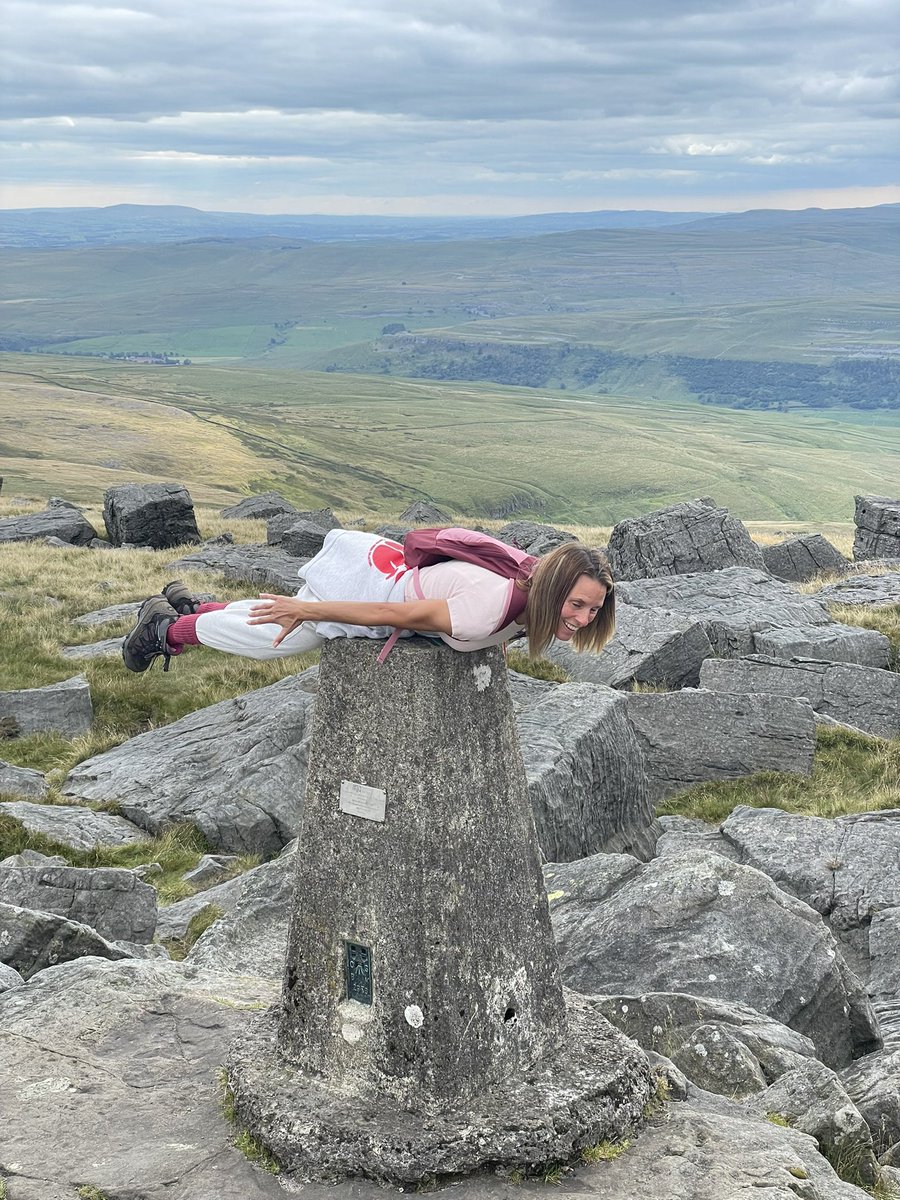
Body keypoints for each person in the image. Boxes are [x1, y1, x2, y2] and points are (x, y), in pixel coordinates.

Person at [121, 529, 615, 673]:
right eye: (576, 605)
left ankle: (190, 610)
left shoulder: (533, 581)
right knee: (278, 638)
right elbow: (388, 614)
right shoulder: (490, 606)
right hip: (368, 589)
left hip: (388, 571)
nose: (582, 618)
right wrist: (309, 610)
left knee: (284, 616)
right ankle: (164, 631)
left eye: (592, 610)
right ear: (554, 590)